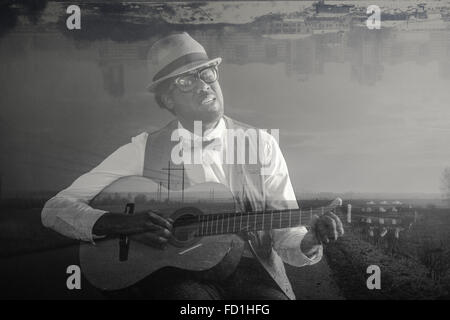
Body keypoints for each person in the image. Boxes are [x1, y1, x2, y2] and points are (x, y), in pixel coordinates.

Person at [41, 32, 344, 300]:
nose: (203, 86)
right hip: (179, 277)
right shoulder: (144, 149)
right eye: (186, 80)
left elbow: (285, 233)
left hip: (252, 274)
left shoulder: (261, 144)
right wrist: (117, 223)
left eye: (207, 72)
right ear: (167, 100)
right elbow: (55, 208)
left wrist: (311, 239)